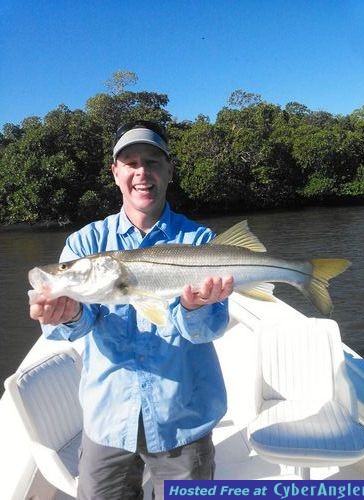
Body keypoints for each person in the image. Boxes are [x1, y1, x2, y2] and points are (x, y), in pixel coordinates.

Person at [30, 121, 234, 500]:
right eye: (131, 162)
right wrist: (68, 315)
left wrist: (193, 308)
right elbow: (75, 325)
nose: (142, 173)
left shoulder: (199, 242)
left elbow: (209, 329)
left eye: (153, 162)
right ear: (116, 173)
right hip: (108, 420)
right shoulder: (85, 242)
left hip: (182, 419)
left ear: (169, 171)